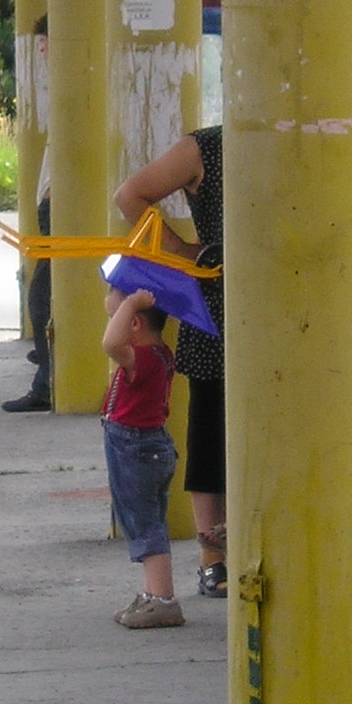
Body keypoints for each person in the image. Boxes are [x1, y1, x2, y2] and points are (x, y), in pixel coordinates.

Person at [113, 127, 226, 596]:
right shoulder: (207, 146)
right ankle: (212, 556)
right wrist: (182, 251)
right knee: (210, 431)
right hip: (218, 300)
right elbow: (130, 195)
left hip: (277, 299)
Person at [101, 286, 184, 629]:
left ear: (134, 324)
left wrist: (132, 302)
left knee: (145, 524)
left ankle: (163, 599)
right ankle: (151, 594)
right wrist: (129, 305)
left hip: (136, 448)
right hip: (144, 446)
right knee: (145, 520)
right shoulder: (159, 353)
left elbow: (110, 344)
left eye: (115, 317)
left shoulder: (144, 358)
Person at [3, 149, 53, 413]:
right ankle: (47, 372)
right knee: (43, 300)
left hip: (57, 210)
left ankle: (46, 383)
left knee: (40, 301)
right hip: (52, 208)